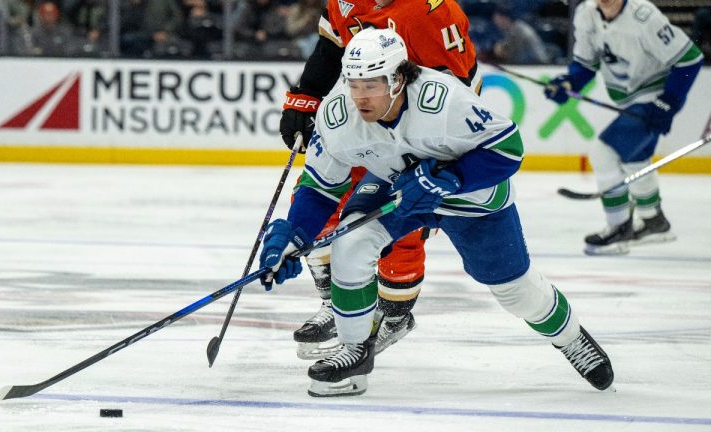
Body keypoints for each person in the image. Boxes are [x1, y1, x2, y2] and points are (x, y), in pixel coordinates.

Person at [260, 28, 615, 397]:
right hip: (397, 188)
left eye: (372, 85)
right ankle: (355, 355)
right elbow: (320, 189)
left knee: (515, 291)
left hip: (471, 197)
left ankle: (571, 337)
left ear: (398, 78)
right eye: (354, 84)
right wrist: (295, 236)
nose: (360, 97)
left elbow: (508, 149)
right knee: (351, 240)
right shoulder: (337, 114)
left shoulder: (443, 101)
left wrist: (451, 177)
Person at [279, 0, 480, 361]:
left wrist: (436, 153)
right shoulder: (344, 2)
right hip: (363, 113)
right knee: (316, 203)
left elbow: (459, 89)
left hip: (415, 126)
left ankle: (394, 314)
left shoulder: (431, 11)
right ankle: (336, 303)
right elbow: (330, 49)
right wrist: (305, 97)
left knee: (397, 222)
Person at [544, 0, 703, 255]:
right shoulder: (586, 14)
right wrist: (568, 82)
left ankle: (619, 228)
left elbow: (690, 60)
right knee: (634, 157)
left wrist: (668, 102)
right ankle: (654, 221)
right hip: (629, 98)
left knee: (604, 153)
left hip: (655, 95)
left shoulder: (644, 17)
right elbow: (586, 64)